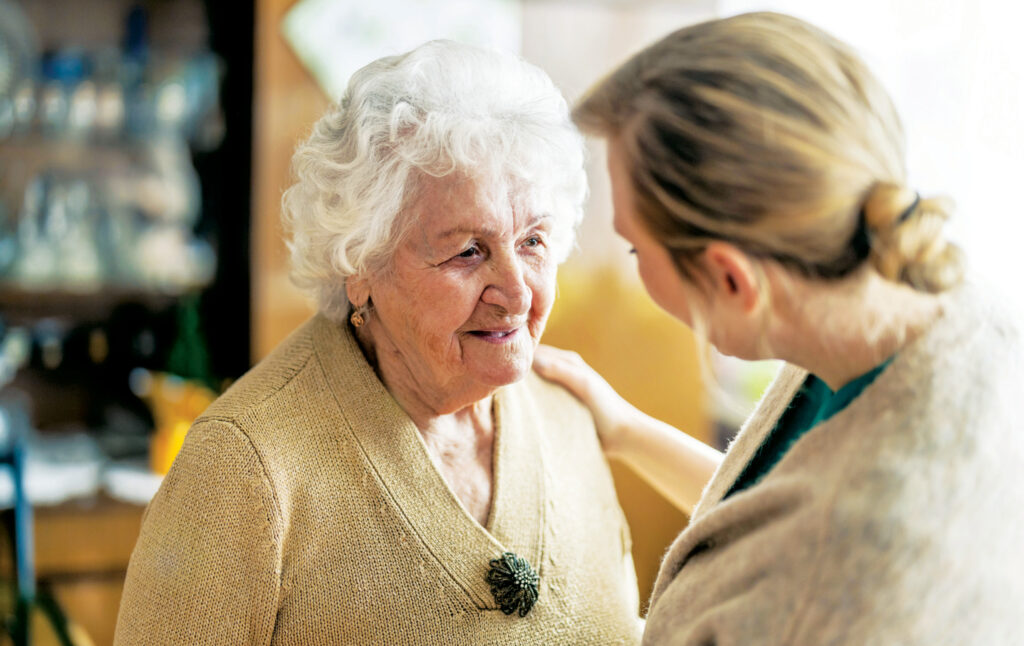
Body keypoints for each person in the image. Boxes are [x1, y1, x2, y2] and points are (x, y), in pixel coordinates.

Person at [114, 40, 642, 645]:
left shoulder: (568, 417)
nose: (517, 295)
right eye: (467, 251)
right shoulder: (244, 470)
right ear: (359, 263)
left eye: (533, 242)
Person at [534, 11, 1024, 645]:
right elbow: (772, 513)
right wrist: (625, 429)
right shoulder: (916, 302)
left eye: (634, 249)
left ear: (732, 281)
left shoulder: (847, 584)